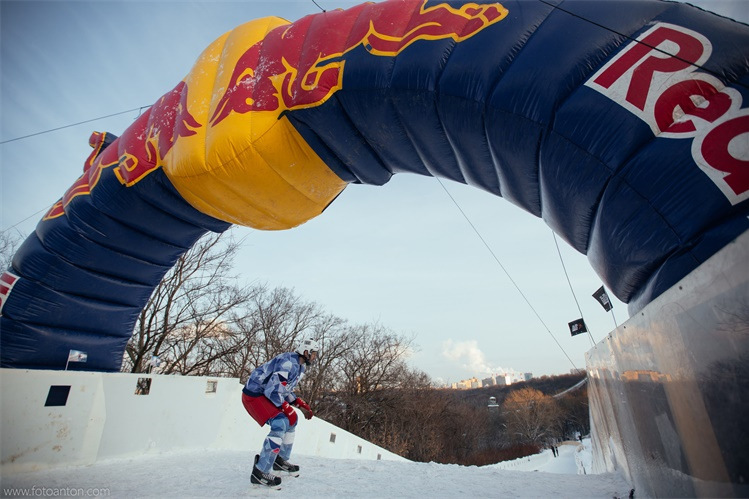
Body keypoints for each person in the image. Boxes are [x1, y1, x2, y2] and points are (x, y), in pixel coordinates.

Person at [241, 338, 319, 487]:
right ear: (306, 352)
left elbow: (284, 390)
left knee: (292, 419)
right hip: (254, 395)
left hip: (264, 394)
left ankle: (279, 460)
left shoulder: (300, 367)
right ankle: (260, 471)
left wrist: (298, 403)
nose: (314, 357)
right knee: (280, 422)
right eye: (313, 354)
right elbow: (273, 391)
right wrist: (287, 407)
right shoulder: (288, 363)